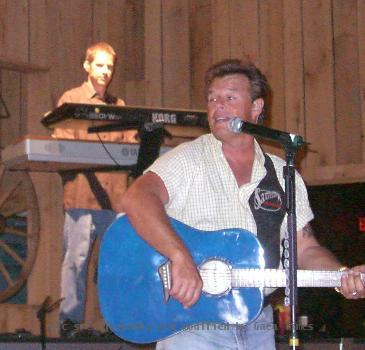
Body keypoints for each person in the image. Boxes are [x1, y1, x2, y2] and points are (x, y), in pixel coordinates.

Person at [121, 59, 365, 349]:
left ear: (257, 107)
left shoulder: (283, 174)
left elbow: (307, 248)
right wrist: (180, 256)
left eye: (230, 97)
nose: (218, 105)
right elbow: (136, 198)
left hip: (257, 325)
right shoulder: (188, 159)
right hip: (192, 322)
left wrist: (340, 276)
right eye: (212, 98)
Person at [53, 42, 136, 335]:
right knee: (75, 261)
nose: (105, 72)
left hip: (114, 199)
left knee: (114, 264)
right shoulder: (71, 99)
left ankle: (115, 324)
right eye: (99, 65)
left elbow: (132, 148)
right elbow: (63, 146)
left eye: (109, 67)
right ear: (86, 66)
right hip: (81, 196)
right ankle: (69, 324)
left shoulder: (120, 106)